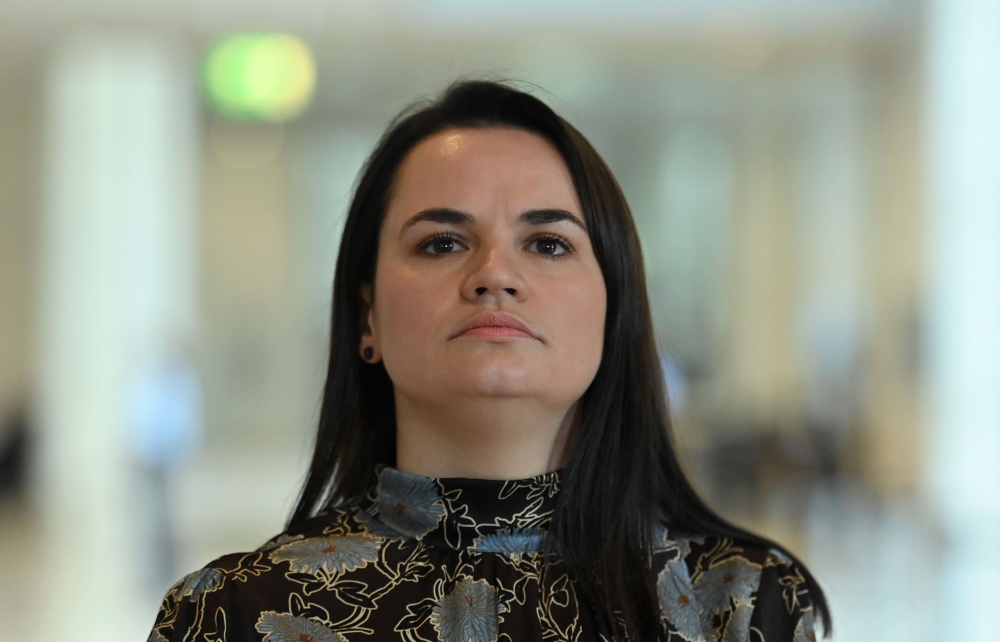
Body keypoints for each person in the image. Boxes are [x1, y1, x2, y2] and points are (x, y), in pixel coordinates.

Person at [149, 80, 830, 642]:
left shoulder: (743, 606)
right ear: (368, 319)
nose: (495, 274)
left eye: (549, 244)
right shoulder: (230, 617)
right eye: (443, 243)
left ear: (614, 307)